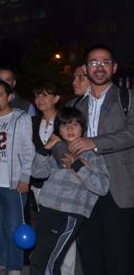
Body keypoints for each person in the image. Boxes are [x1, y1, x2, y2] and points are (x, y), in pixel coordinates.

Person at [67, 45, 134, 275]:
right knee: (90, 253)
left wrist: (94, 142)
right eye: (94, 62)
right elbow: (62, 141)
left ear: (114, 68)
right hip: (85, 188)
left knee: (119, 255)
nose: (99, 67)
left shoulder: (128, 98)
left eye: (105, 62)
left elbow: (132, 133)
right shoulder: (74, 106)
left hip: (119, 188)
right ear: (86, 68)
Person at [29, 107, 109, 275]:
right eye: (65, 125)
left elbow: (102, 186)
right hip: (47, 208)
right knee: (39, 258)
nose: (70, 129)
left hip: (68, 214)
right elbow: (37, 172)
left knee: (47, 262)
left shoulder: (92, 155)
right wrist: (45, 149)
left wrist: (77, 165)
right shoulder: (59, 151)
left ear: (83, 128)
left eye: (74, 124)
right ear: (58, 130)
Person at [0, 80, 34, 275]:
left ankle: (14, 266)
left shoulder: (21, 118)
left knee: (13, 226)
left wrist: (25, 177)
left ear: (9, 97)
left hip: (12, 182)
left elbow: (28, 149)